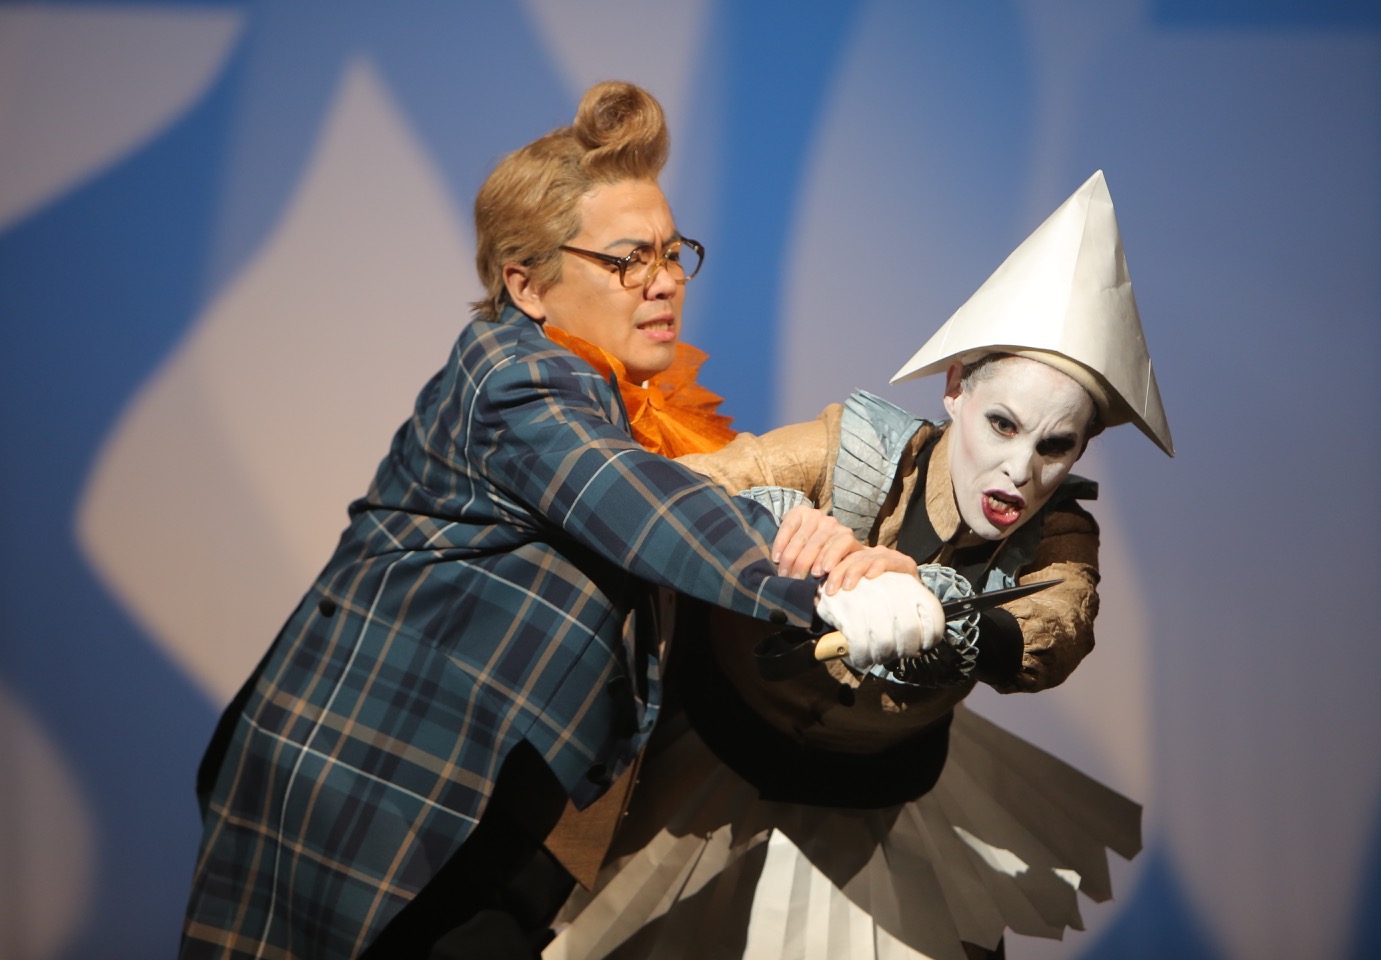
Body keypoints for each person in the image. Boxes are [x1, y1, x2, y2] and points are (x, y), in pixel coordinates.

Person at [177, 80, 946, 960]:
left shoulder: (631, 399)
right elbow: (642, 503)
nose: (664, 282)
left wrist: (839, 537)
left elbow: (702, 493)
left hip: (489, 807)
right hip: (374, 787)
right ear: (527, 284)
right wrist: (834, 585)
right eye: (628, 261)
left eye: (672, 253)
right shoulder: (516, 381)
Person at [543, 170, 1172, 960]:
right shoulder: (849, 450)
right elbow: (683, 492)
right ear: (955, 390)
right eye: (1003, 425)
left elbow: (1059, 625)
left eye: (1056, 445)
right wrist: (779, 527)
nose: (1020, 470)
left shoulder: (1060, 531)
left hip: (877, 804)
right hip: (708, 759)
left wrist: (935, 611)